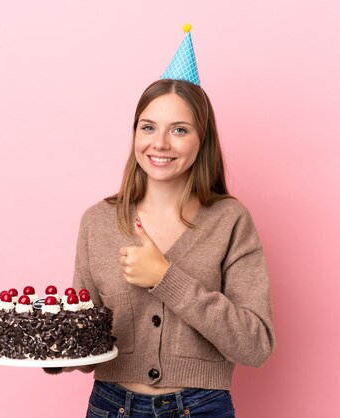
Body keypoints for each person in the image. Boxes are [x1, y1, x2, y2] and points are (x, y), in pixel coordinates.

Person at [46, 26, 276, 418]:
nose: (160, 144)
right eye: (148, 127)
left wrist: (165, 277)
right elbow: (89, 341)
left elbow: (255, 346)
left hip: (200, 408)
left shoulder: (229, 221)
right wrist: (55, 353)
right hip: (110, 406)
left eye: (179, 130)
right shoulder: (98, 222)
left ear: (202, 140)